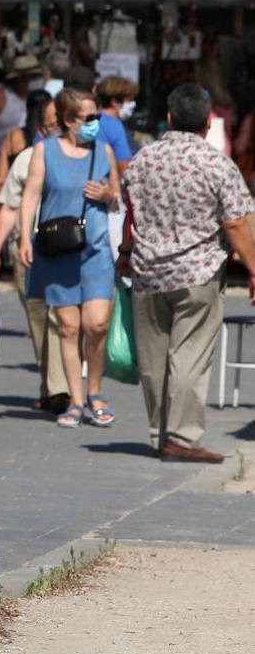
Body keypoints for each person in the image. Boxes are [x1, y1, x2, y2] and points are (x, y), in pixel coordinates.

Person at [121, 84, 255, 462]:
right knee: (190, 356)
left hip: (147, 273)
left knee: (154, 358)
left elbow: (131, 214)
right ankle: (181, 437)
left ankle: (160, 433)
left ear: (168, 118)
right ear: (209, 122)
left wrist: (125, 254)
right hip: (197, 273)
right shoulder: (216, 164)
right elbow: (237, 223)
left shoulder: (142, 160)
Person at [18, 88, 121, 429]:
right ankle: (77, 400)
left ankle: (96, 389)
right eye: (89, 118)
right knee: (68, 327)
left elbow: (118, 200)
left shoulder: (103, 152)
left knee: (96, 324)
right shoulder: (44, 151)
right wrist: (24, 237)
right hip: (58, 249)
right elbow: (31, 195)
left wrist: (107, 194)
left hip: (96, 251)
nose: (96, 123)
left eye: (97, 117)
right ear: (68, 121)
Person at [0, 91, 68, 415]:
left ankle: (63, 387)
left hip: (70, 250)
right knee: (39, 321)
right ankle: (54, 387)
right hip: (27, 250)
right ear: (42, 130)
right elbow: (8, 209)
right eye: (52, 126)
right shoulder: (27, 158)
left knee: (64, 319)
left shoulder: (85, 158)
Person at [0, 55, 45, 173]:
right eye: (24, 77)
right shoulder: (2, 98)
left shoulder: (40, 99)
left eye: (31, 77)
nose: (27, 81)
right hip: (2, 159)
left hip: (33, 158)